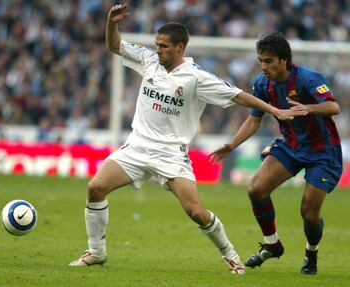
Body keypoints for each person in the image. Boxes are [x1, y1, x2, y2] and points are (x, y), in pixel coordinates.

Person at [69, 5, 303, 274]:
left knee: (196, 212)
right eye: (157, 44)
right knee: (95, 188)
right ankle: (96, 253)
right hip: (137, 145)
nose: (158, 50)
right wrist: (111, 24)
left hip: (171, 154)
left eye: (164, 46)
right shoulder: (148, 60)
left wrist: (274, 110)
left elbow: (238, 95)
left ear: (180, 47)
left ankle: (229, 253)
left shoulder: (197, 77)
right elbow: (115, 45)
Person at [210, 32, 343, 275]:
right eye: (261, 60)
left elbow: (334, 106)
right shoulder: (262, 84)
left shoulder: (308, 78)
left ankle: (311, 251)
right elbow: (253, 121)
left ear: (283, 60)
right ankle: (272, 245)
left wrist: (309, 108)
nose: (263, 66)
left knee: (309, 212)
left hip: (323, 152)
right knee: (256, 189)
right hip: (291, 147)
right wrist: (232, 145)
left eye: (269, 61)